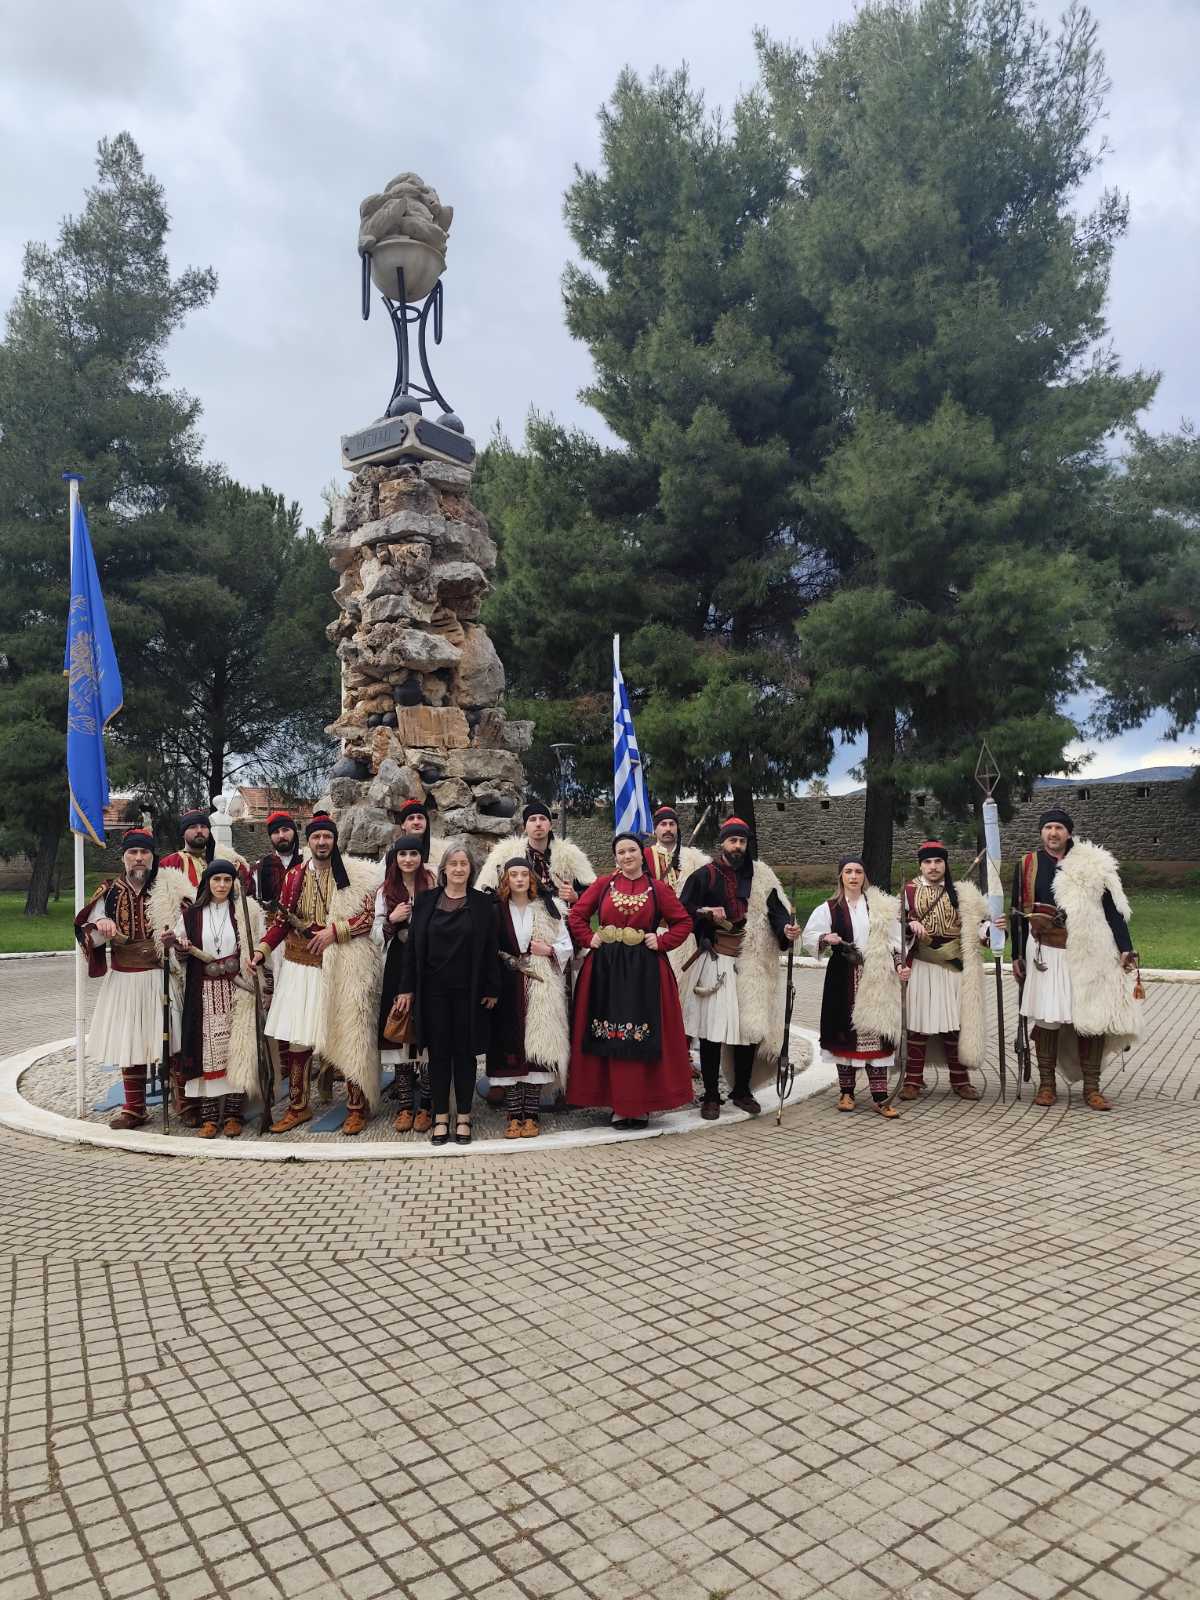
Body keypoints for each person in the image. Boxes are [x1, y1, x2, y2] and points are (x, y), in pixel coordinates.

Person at [252, 813, 381, 1135]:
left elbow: (368, 917)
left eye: (327, 837)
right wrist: (262, 950)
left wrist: (334, 932)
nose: (322, 842)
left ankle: (356, 1108)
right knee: (299, 1038)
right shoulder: (294, 876)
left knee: (348, 1034)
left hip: (343, 965)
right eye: (316, 837)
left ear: (334, 840)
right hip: (300, 964)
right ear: (308, 841)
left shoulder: (355, 875)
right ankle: (298, 1107)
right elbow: (282, 921)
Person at [1011, 807, 1140, 1110]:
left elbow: (1114, 910)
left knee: (1092, 1017)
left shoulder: (1092, 863)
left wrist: (1125, 947)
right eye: (1048, 828)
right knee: (1047, 1018)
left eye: (1059, 827)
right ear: (1041, 832)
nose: (1053, 833)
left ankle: (1092, 1089)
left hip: (1090, 951)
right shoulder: (1028, 865)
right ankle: (1046, 1086)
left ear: (1069, 832)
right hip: (1044, 953)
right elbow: (1017, 912)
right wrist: (1016, 954)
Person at [566, 833, 694, 1130]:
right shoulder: (602, 885)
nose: (627, 856)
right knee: (609, 1034)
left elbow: (684, 922)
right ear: (615, 857)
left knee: (642, 1034)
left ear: (641, 854)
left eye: (632, 850)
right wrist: (589, 938)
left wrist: (661, 941)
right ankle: (618, 1105)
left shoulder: (657, 889)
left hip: (646, 971)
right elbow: (577, 917)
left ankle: (640, 1105)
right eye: (621, 852)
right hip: (605, 971)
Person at [680, 817, 802, 1119]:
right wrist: (706, 914)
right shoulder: (705, 875)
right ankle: (711, 1094)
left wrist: (785, 930)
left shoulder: (762, 877)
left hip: (752, 963)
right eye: (732, 840)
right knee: (712, 1030)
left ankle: (742, 1090)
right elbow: (683, 911)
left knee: (749, 1028)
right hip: (715, 960)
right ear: (722, 842)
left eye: (742, 841)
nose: (737, 846)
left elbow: (777, 913)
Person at [395, 841, 501, 1147]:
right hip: (433, 992)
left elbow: (491, 948)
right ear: (443, 869)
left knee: (465, 1056)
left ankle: (464, 1116)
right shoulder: (426, 901)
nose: (458, 868)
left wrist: (492, 987)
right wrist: (406, 988)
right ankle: (441, 1116)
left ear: (471, 869)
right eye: (453, 864)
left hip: (469, 992)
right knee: (438, 1056)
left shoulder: (482, 904)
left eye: (463, 864)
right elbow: (413, 949)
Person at [74, 828, 168, 1131]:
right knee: (131, 1040)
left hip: (162, 975)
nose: (139, 858)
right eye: (133, 853)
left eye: (144, 853)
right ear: (124, 857)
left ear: (152, 857)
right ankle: (135, 1108)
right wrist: (101, 923)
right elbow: (89, 932)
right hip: (125, 977)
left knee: (172, 1040)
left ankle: (185, 1104)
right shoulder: (109, 891)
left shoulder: (167, 887)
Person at [167, 861, 265, 1138]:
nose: (222, 885)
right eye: (216, 879)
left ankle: (234, 1114)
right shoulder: (192, 915)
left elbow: (258, 944)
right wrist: (180, 948)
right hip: (203, 992)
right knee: (207, 1054)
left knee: (238, 1050)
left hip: (237, 990)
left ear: (234, 883)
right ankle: (210, 1117)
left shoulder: (243, 912)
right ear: (207, 882)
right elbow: (177, 954)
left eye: (227, 880)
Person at [898, 841, 1001, 1102]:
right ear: (920, 865)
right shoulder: (908, 891)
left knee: (954, 1025)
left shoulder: (963, 892)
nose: (933, 867)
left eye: (938, 861)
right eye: (928, 862)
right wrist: (909, 926)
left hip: (954, 966)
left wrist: (991, 932)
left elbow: (980, 924)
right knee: (918, 1026)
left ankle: (960, 1081)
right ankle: (912, 1080)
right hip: (923, 965)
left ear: (945, 864)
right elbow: (894, 928)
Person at [802, 855, 904, 1118]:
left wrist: (899, 964)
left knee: (877, 1032)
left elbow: (896, 941)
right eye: (848, 871)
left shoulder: (878, 907)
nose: (853, 876)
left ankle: (880, 1096)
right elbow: (810, 935)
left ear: (864, 876)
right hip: (842, 976)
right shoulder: (829, 908)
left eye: (858, 871)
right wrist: (825, 937)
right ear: (841, 876)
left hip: (876, 977)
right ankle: (846, 1092)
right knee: (844, 1031)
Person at [488, 859, 574, 1138]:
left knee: (538, 1049)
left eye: (524, 874)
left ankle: (532, 1115)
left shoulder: (549, 909)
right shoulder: (496, 910)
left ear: (532, 879)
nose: (519, 879)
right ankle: (514, 1115)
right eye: (513, 875)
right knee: (509, 1047)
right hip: (507, 985)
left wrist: (548, 950)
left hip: (540, 987)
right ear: (506, 880)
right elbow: (487, 946)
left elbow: (566, 945)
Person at [374, 838, 437, 1133]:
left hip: (429, 965)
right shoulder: (385, 891)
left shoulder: (432, 885)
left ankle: (426, 1104)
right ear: (395, 858)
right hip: (398, 965)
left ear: (420, 857)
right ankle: (404, 1106)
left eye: (413, 853)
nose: (408, 859)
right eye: (403, 854)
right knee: (400, 1033)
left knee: (427, 1031)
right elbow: (375, 935)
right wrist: (392, 919)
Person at [477, 799, 595, 904]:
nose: (538, 824)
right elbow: (484, 890)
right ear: (524, 827)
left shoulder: (570, 855)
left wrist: (576, 896)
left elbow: (594, 890)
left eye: (542, 819)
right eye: (532, 819)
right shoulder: (505, 854)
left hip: (562, 917)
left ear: (550, 825)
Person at [250, 810, 301, 906]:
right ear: (270, 837)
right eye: (276, 832)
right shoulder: (260, 868)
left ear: (294, 832)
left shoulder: (307, 862)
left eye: (285, 830)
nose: (281, 835)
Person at [394, 798, 446, 873]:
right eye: (411, 818)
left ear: (426, 822)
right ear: (402, 825)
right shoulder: (395, 851)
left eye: (420, 817)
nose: (416, 822)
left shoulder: (443, 851)